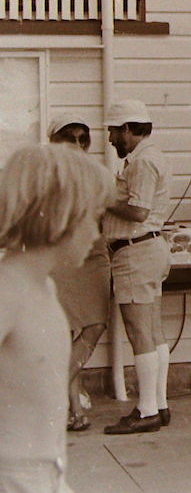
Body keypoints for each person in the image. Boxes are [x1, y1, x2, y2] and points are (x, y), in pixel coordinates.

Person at [0, 144, 112, 493]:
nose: (97, 235)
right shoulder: (8, 291)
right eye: (92, 219)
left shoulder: (45, 289)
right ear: (61, 217)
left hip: (47, 475)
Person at [101, 99, 173, 434]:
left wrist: (102, 199)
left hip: (136, 251)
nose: (112, 139)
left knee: (139, 332)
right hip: (147, 249)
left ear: (129, 129)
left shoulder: (142, 162)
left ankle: (146, 411)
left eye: (115, 131)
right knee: (153, 331)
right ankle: (158, 403)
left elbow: (138, 211)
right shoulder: (147, 157)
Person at [48, 114, 111, 433]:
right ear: (54, 141)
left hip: (95, 255)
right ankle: (64, 402)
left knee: (94, 324)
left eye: (82, 137)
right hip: (65, 257)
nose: (76, 143)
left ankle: (68, 407)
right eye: (69, 137)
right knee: (73, 332)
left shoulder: (94, 172)